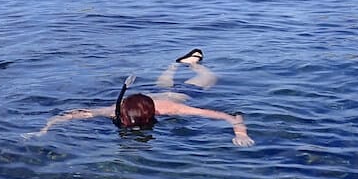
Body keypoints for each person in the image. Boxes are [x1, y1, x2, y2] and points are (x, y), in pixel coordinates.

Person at [25, 72, 255, 147]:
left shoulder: (171, 109)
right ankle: (173, 65)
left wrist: (240, 132)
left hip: (182, 94)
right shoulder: (116, 110)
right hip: (146, 96)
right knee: (164, 82)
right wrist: (45, 129)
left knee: (210, 77)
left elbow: (230, 116)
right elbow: (74, 113)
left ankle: (194, 63)